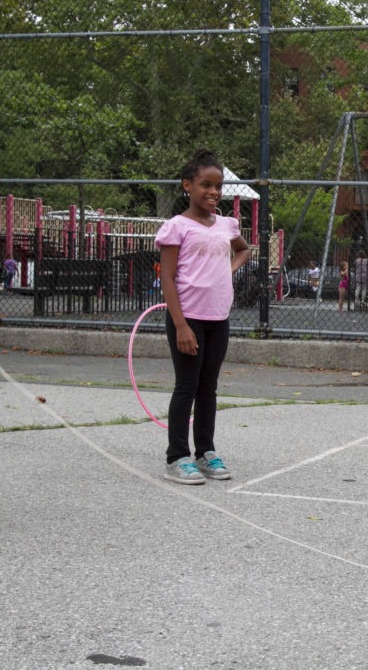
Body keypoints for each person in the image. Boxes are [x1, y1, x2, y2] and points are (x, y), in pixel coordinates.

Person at [154, 149, 251, 485]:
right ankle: (176, 457)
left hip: (217, 318)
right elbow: (167, 278)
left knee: (208, 387)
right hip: (188, 319)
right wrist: (180, 324)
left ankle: (205, 451)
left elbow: (244, 249)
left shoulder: (226, 224)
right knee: (187, 386)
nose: (213, 191)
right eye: (205, 185)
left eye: (218, 186)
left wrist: (228, 268)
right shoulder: (176, 227)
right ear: (187, 186)